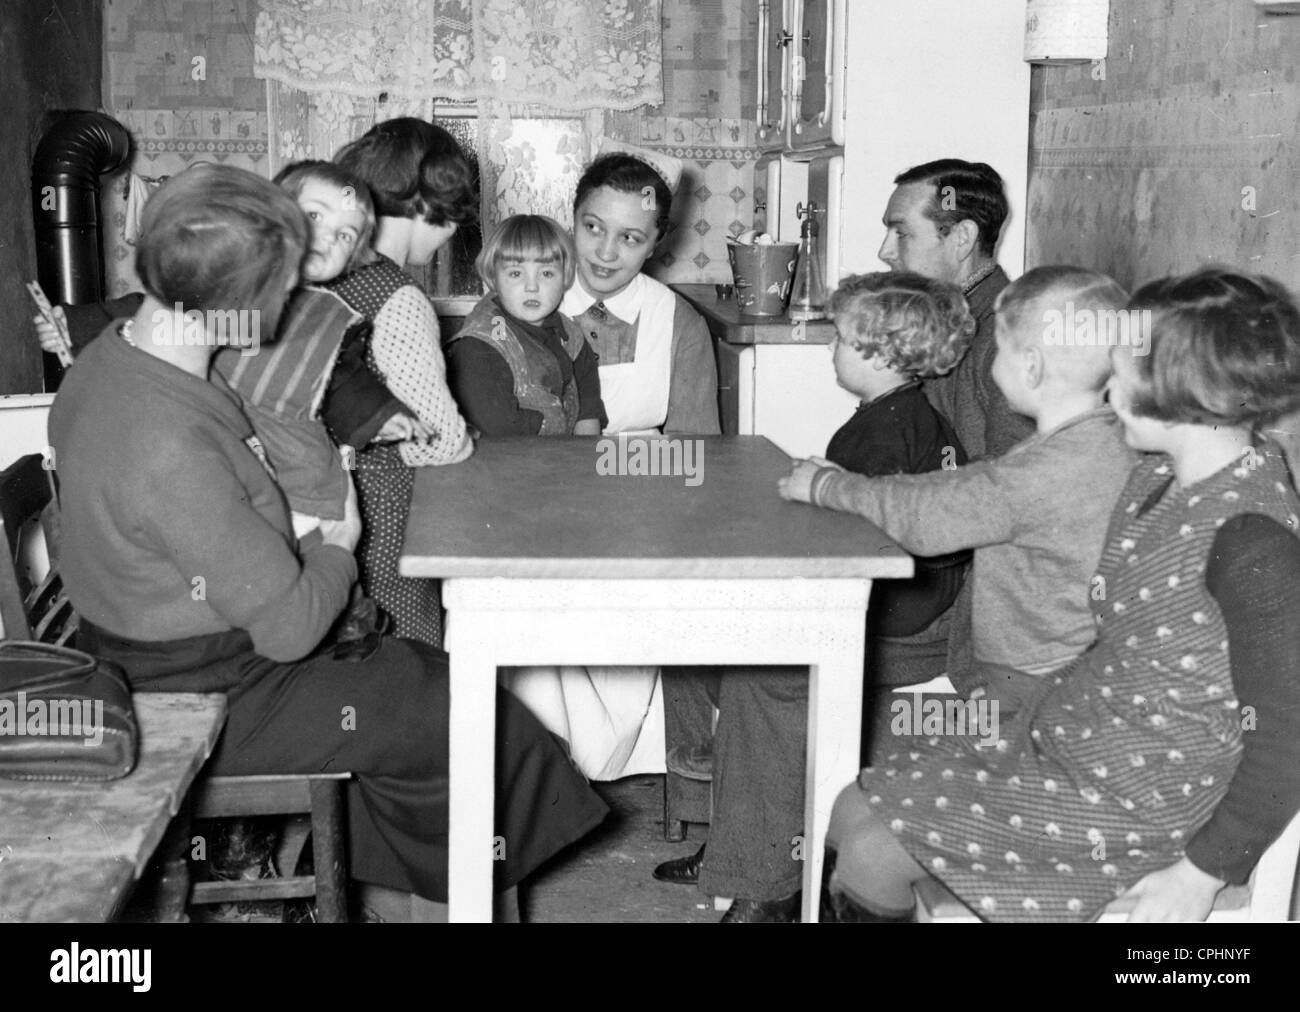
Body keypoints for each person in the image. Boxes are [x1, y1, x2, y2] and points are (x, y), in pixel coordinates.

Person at [47, 164, 607, 918]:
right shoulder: (169, 443)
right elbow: (290, 627)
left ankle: (389, 896)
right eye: (285, 286)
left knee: (430, 683)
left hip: (158, 650)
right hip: (207, 688)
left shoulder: (110, 361)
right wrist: (340, 540)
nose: (297, 303)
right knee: (471, 719)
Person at [820, 267, 1300, 923]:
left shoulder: (1252, 539)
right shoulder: (1156, 478)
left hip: (1153, 798)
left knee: (874, 851)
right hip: (1085, 740)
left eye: (1122, 370)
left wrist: (1201, 873)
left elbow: (1288, 732)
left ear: (1177, 385)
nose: (1107, 386)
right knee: (853, 804)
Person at [501, 152, 723, 782]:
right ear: (571, 219)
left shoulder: (677, 321)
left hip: (640, 508)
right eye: (593, 227)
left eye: (630, 237)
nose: (605, 252)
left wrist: (614, 466)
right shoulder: (523, 302)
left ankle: (610, 755)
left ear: (657, 243)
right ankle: (538, 767)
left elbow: (698, 453)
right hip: (538, 501)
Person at [329, 118, 476, 649]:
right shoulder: (400, 298)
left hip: (324, 507)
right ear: (422, 205)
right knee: (409, 655)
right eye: (450, 215)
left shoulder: (328, 276)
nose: (452, 232)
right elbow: (434, 437)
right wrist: (463, 439)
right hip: (383, 512)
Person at [447, 214, 605, 436]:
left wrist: (586, 454)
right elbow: (501, 430)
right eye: (516, 273)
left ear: (565, 277)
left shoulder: (572, 336)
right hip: (502, 454)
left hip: (566, 454)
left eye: (546, 273)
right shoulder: (479, 346)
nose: (532, 286)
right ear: (493, 278)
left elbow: (588, 411)